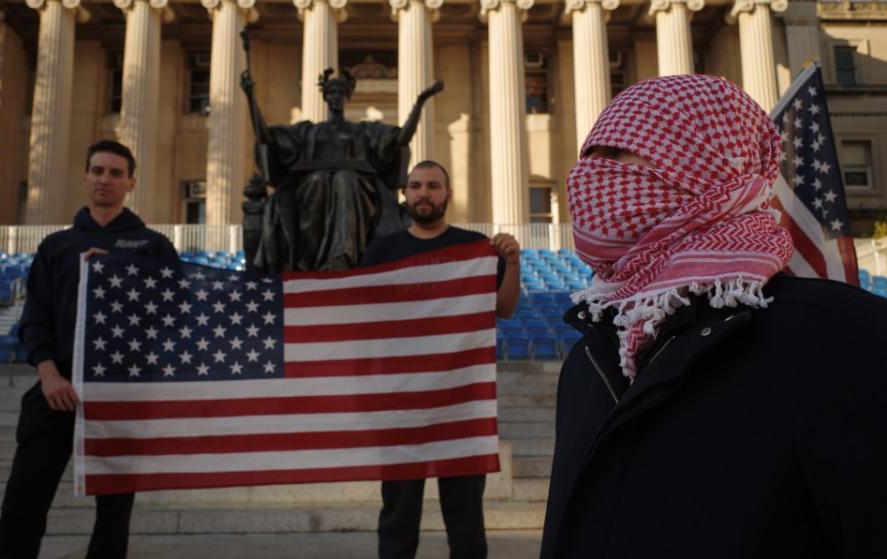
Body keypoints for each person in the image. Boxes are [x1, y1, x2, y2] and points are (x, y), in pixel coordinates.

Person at [540, 74, 887, 558]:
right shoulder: (589, 359)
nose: (589, 177)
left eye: (618, 154)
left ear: (708, 165)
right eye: (590, 157)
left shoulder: (844, 338)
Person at [0, 140, 179, 559]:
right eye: (98, 170)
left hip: (122, 390)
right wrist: (48, 373)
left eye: (116, 173)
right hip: (58, 387)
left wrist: (121, 274)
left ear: (130, 183)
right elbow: (36, 316)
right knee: (24, 499)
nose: (105, 180)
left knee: (114, 511)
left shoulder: (153, 246)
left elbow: (173, 313)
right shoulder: (57, 246)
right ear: (85, 177)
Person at [360, 160, 521, 559]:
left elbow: (504, 309)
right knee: (398, 518)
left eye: (433, 186)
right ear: (405, 195)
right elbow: (361, 313)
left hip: (461, 404)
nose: (423, 193)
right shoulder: (384, 250)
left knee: (466, 521)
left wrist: (513, 263)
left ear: (448, 194)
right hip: (400, 404)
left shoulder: (475, 248)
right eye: (415, 186)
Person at [241, 44, 443, 271]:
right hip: (311, 186)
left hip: (357, 186)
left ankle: (341, 257)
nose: (336, 97)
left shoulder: (363, 131)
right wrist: (250, 98)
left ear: (347, 97)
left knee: (345, 179)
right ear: (325, 97)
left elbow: (400, 139)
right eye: (332, 92)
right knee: (318, 181)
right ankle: (309, 258)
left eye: (340, 93)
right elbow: (267, 137)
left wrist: (420, 102)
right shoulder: (307, 131)